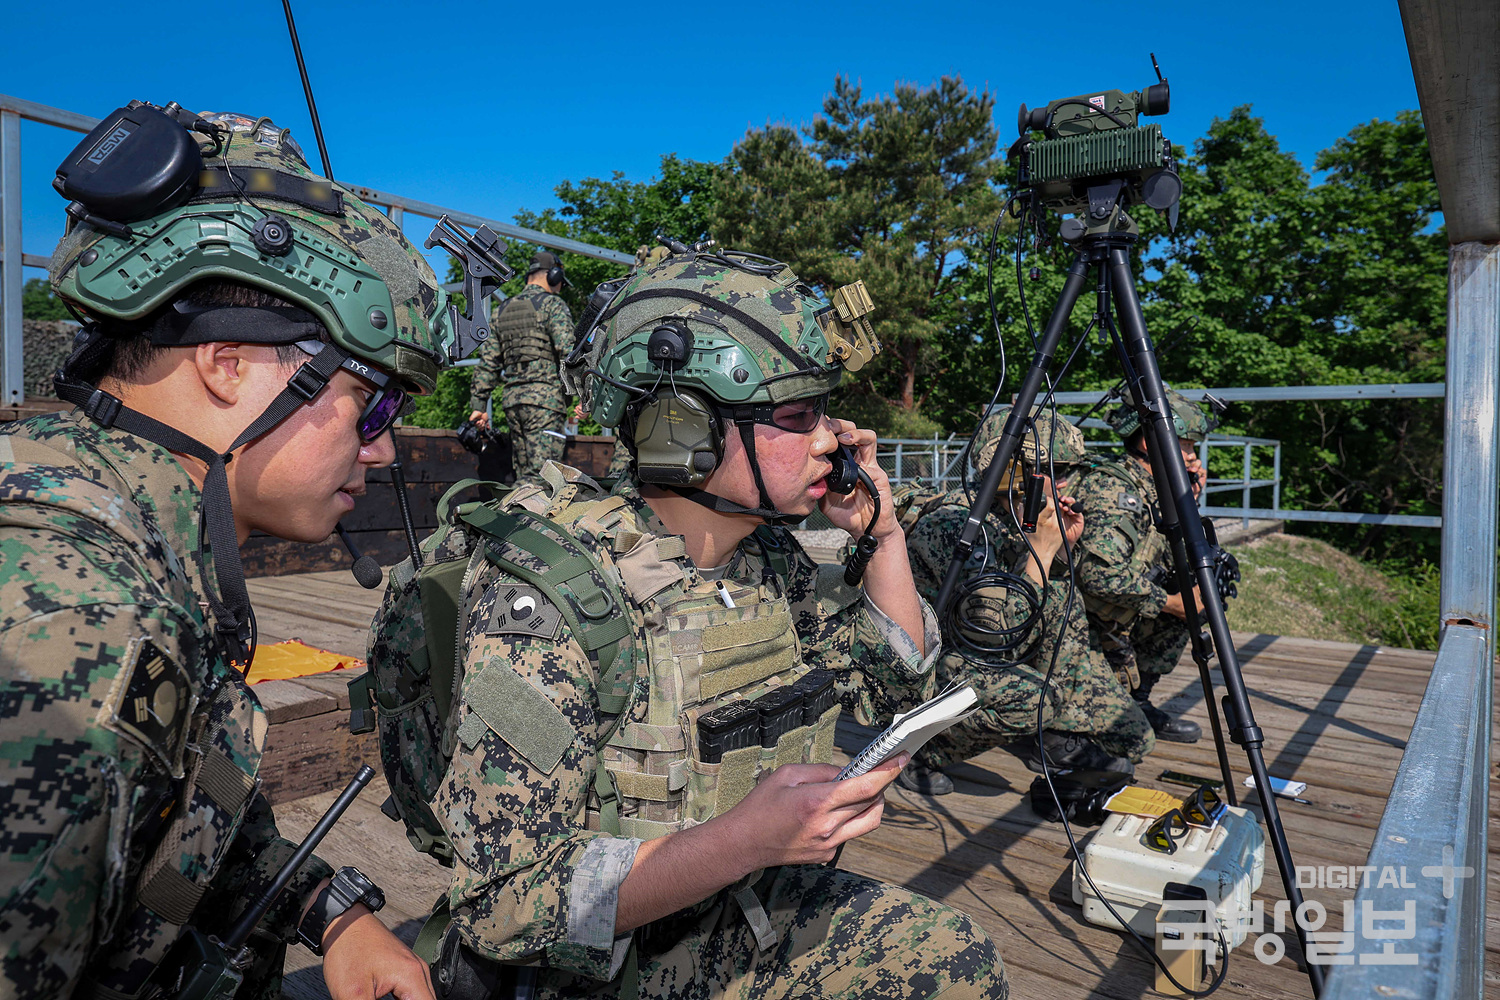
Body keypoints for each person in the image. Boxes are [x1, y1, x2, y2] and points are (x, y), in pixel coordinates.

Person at [372, 246, 1007, 998]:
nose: (833, 438)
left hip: (733, 909)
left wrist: (884, 535)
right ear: (686, 426)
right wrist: (742, 841)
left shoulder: (764, 555)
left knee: (957, 960)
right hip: (599, 965)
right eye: (800, 416)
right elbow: (503, 903)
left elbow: (888, 681)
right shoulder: (550, 597)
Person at [0, 105, 462, 999]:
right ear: (227, 364)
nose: (385, 449)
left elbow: (171, 829)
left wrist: (329, 909)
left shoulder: (130, 533)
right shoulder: (80, 637)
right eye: (373, 405)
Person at [899, 406, 1153, 796]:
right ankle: (914, 748)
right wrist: (1043, 555)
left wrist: (1060, 550)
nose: (1066, 485)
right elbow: (990, 635)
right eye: (1057, 471)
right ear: (1013, 475)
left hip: (995, 659)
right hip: (937, 662)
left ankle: (1047, 731)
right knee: (1035, 700)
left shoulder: (1022, 520)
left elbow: (1058, 616)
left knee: (1134, 737)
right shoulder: (957, 526)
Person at [1070, 387, 1215, 743]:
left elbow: (1163, 557)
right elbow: (1097, 575)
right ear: (1154, 445)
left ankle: (1135, 700)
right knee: (1179, 607)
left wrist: (1188, 503)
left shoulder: (1154, 489)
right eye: (1188, 446)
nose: (1195, 459)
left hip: (1117, 613)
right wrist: (1170, 603)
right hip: (1081, 623)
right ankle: (1072, 721)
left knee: (1199, 605)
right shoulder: (1116, 492)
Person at [466, 249, 574, 479]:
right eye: (560, 282)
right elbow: (568, 353)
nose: (561, 287)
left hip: (513, 403)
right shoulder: (553, 305)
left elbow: (488, 362)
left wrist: (479, 405)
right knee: (546, 479)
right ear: (553, 276)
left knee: (525, 477)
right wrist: (582, 394)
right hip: (545, 401)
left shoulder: (501, 310)